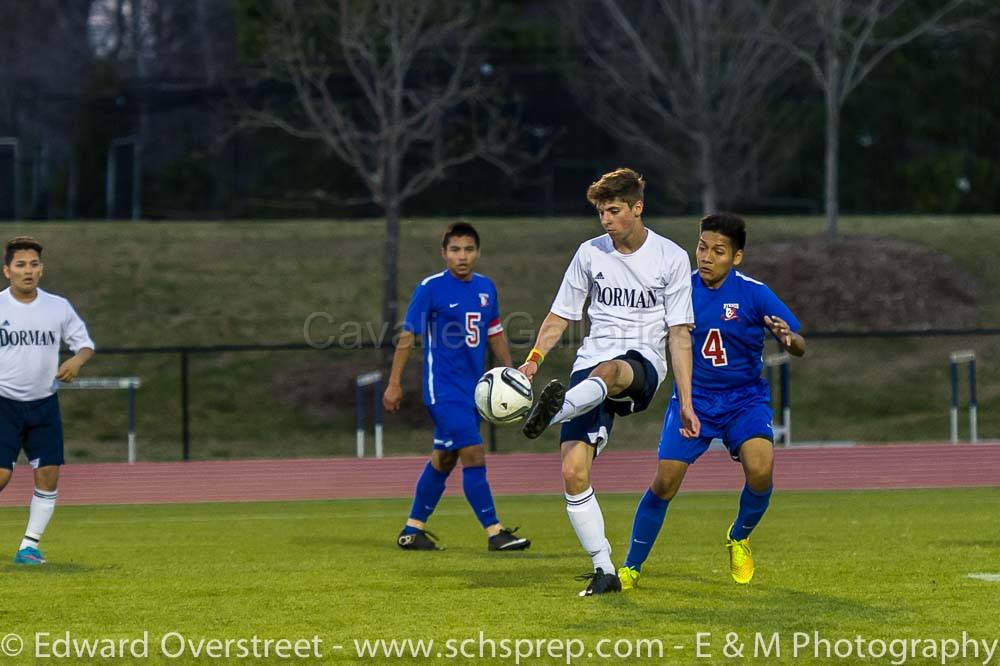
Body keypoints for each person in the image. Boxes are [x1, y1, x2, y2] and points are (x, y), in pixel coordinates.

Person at [517, 168, 699, 596]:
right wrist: (532, 361)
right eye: (600, 212)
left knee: (612, 370)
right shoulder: (589, 253)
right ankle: (604, 570)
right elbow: (561, 313)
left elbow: (678, 334)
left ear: (638, 208)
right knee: (572, 472)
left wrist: (685, 400)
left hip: (642, 366)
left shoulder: (671, 258)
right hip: (589, 368)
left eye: (614, 211)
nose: (606, 220)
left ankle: (553, 411)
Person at [617, 213, 806, 589]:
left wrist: (790, 340)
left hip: (744, 401)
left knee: (761, 470)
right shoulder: (680, 291)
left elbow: (798, 343)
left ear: (736, 258)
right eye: (702, 247)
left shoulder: (754, 293)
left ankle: (739, 536)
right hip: (695, 400)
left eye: (718, 251)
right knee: (665, 484)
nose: (706, 257)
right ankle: (631, 568)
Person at [383, 222, 530, 552]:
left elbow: (495, 333)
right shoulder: (431, 288)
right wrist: (394, 383)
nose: (462, 256)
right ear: (444, 253)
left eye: (468, 249)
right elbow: (408, 336)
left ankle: (412, 530)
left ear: (477, 252)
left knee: (444, 459)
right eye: (455, 249)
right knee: (474, 454)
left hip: (474, 392)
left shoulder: (486, 288)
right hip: (443, 391)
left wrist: (510, 373)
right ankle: (495, 532)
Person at [0, 236, 95, 565]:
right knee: (1, 475)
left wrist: (77, 361)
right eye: (21, 265)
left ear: (42, 270)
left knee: (49, 474)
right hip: (4, 403)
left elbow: (84, 344)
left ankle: (29, 546)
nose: (28, 270)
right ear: (7, 271)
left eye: (34, 264)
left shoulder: (58, 307)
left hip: (43, 405)